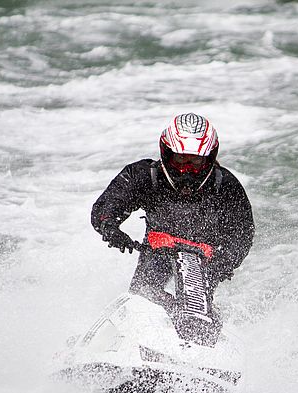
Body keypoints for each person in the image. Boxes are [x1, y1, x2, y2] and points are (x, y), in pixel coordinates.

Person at [90, 113, 254, 310]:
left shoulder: (225, 186)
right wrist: (110, 228)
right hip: (156, 251)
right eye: (181, 160)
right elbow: (105, 207)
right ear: (166, 154)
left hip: (205, 260)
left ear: (209, 159)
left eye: (195, 163)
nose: (187, 171)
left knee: (197, 313)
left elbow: (243, 234)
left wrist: (223, 262)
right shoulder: (144, 176)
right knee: (142, 295)